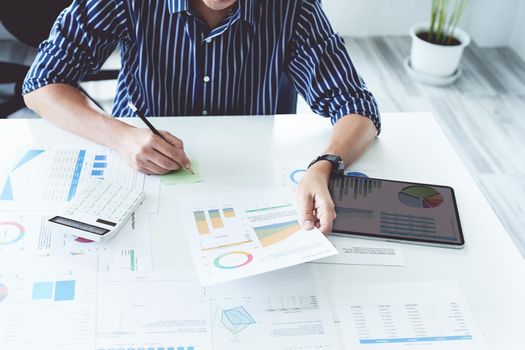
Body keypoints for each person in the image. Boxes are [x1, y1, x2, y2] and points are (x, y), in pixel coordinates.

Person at [23, 0, 381, 234]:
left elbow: (357, 107)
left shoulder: (294, 8)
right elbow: (41, 83)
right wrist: (121, 136)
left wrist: (323, 166)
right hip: (143, 181)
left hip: (249, 187)